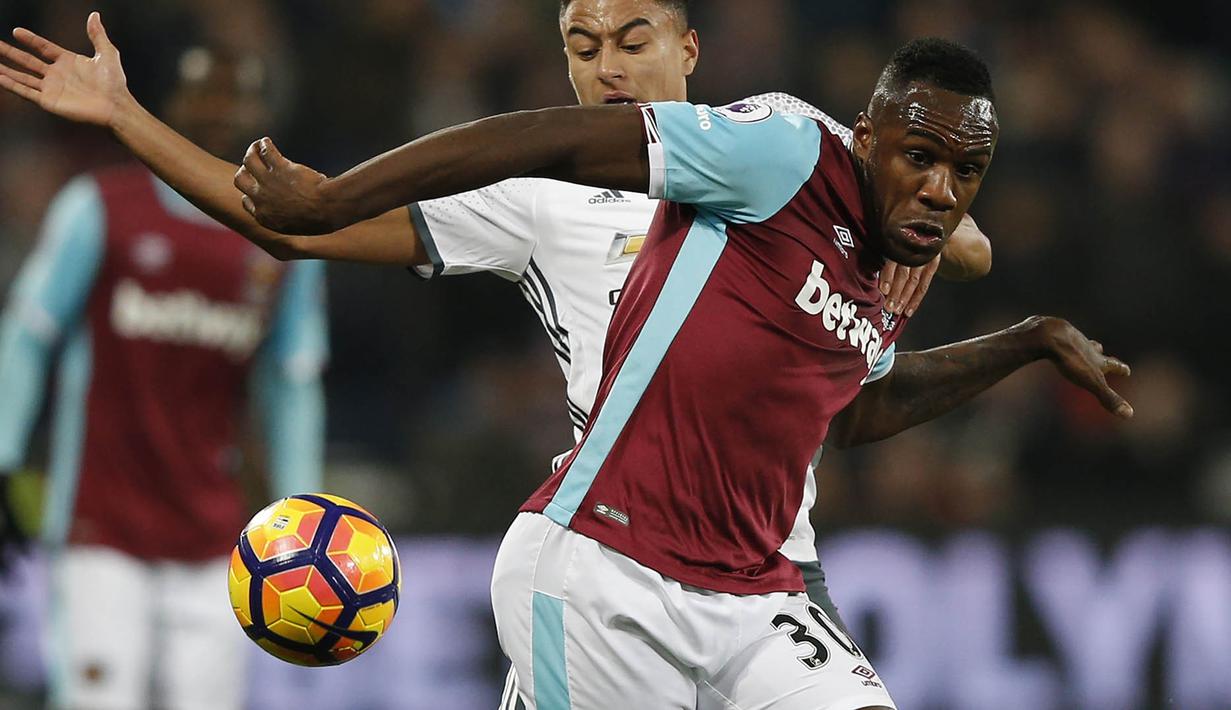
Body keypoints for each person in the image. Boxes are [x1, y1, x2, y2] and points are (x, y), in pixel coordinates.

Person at [0, 11, 1134, 710]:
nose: (606, 69)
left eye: (632, 39)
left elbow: (883, 340)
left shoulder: (826, 184)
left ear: (688, 49)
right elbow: (290, 226)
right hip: (611, 549)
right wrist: (127, 117)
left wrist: (991, 295)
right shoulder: (550, 201)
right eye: (581, 47)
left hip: (772, 564)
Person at [0, 45, 328, 710]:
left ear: (262, 114)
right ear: (172, 105)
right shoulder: (100, 209)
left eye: (238, 97)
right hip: (101, 527)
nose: (221, 112)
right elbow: (29, 334)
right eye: (205, 94)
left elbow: (291, 382)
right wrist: (3, 453)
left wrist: (303, 511)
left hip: (213, 538)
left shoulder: (284, 244)